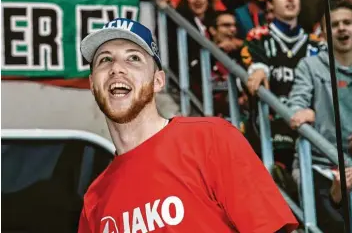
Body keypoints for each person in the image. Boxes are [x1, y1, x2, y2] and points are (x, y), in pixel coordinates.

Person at [78, 17, 298, 232]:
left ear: (158, 81)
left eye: (133, 58)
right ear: (92, 83)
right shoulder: (94, 201)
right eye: (104, 60)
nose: (116, 68)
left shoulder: (212, 138)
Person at [241, 0, 325, 173]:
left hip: (305, 129)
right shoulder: (258, 36)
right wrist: (258, 68)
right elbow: (250, 68)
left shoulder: (316, 45)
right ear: (270, 3)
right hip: (268, 127)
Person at [288, 3, 352, 233]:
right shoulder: (310, 65)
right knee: (331, 220)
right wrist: (302, 111)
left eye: (347, 23)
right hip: (320, 162)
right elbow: (295, 104)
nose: (342, 29)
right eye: (334, 25)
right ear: (324, 34)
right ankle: (337, 195)